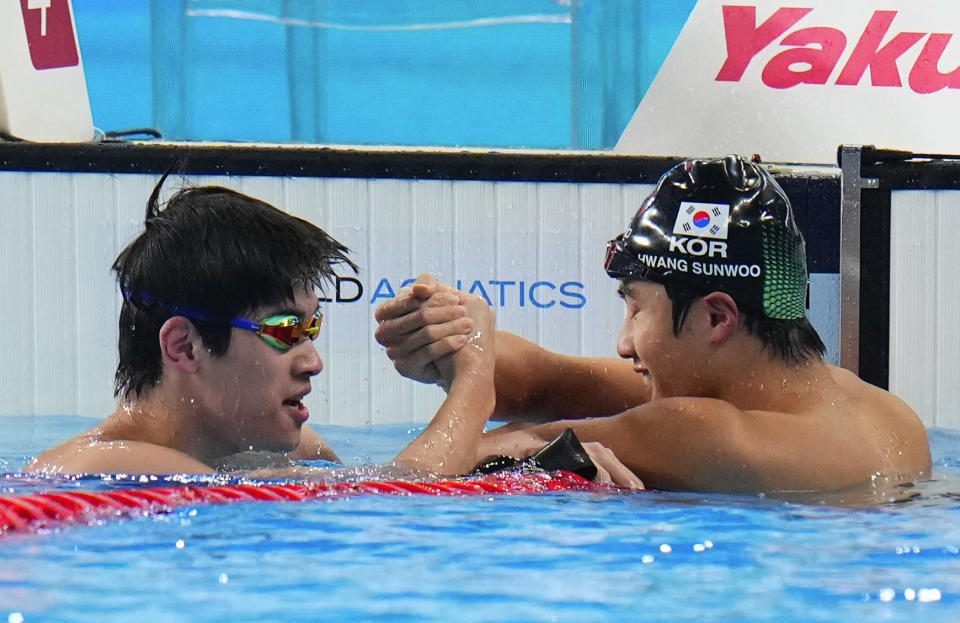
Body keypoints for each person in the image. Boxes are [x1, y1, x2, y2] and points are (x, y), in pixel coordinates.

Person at [374, 155, 932, 494]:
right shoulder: (878, 413)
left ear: (717, 317)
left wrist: (470, 379)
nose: (622, 342)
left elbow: (422, 482)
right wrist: (450, 334)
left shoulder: (705, 432)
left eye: (636, 308)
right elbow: (548, 381)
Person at [25, 179, 503, 478]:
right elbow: (403, 495)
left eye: (313, 327)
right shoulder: (99, 469)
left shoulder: (265, 449)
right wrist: (475, 379)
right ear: (184, 347)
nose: (313, 361)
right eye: (285, 331)